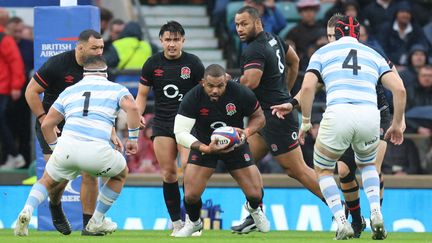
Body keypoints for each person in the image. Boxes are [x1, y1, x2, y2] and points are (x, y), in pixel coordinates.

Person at [272, 15, 406, 240]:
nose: (330, 38)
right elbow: (400, 89)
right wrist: (399, 123)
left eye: (333, 35)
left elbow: (308, 88)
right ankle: (372, 213)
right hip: (369, 115)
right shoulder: (371, 53)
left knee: (323, 169)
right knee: (365, 166)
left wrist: (305, 122)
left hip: (343, 113)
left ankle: (342, 221)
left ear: (338, 34)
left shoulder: (324, 53)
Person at [14, 55, 140, 237]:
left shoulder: (69, 91)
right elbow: (134, 109)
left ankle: (27, 209)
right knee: (120, 174)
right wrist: (133, 139)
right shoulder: (116, 89)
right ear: (104, 73)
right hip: (97, 151)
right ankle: (96, 221)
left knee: (46, 179)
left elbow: (46, 125)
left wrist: (56, 149)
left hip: (67, 147)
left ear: (84, 74)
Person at [231, 6, 326, 234]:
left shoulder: (254, 49)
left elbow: (250, 83)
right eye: (236, 24)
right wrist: (286, 90)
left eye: (244, 23)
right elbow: (294, 60)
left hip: (275, 118)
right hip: (265, 117)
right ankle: (256, 213)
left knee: (298, 171)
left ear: (257, 22)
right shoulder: (273, 39)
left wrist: (228, 84)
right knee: (242, 161)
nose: (239, 29)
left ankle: (345, 209)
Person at [24, 29, 111, 236]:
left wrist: (112, 130)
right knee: (58, 176)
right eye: (94, 47)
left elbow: (106, 99)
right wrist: (45, 119)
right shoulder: (57, 64)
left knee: (90, 172)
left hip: (84, 126)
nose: (99, 52)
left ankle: (89, 225)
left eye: (101, 47)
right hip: (53, 124)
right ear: (80, 47)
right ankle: (55, 205)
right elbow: (30, 92)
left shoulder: (99, 67)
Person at [326, 13, 400, 238]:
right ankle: (357, 222)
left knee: (371, 167)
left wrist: (400, 119)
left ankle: (378, 218)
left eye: (334, 35)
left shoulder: (369, 53)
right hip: (345, 116)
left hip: (375, 115)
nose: (333, 40)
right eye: (329, 36)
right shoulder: (327, 56)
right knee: (343, 170)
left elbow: (397, 81)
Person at [173, 64, 269, 237]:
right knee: (190, 195)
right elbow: (180, 133)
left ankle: (253, 209)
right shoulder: (193, 97)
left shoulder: (240, 92)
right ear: (203, 82)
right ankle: (194, 223)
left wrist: (246, 133)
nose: (215, 90)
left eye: (220, 86)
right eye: (211, 86)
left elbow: (259, 117)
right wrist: (204, 148)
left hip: (236, 145)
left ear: (226, 80)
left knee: (255, 195)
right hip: (205, 145)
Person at [135, 20, 204, 236]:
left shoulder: (193, 63)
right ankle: (176, 223)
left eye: (176, 40)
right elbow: (142, 95)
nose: (172, 44)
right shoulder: (152, 63)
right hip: (163, 123)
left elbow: (204, 93)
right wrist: (137, 115)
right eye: (168, 40)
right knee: (169, 173)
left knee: (189, 171)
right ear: (161, 41)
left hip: (189, 124)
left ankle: (194, 221)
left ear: (183, 40)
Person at [0, 8, 26, 169]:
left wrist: (16, 86)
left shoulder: (4, 38)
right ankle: (13, 155)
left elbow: (16, 63)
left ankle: (15, 156)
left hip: (2, 88)